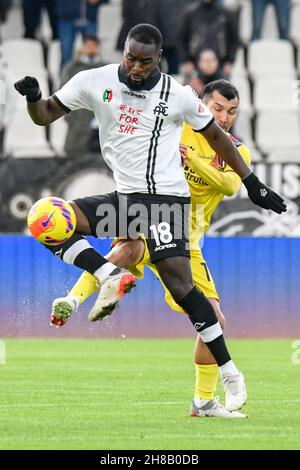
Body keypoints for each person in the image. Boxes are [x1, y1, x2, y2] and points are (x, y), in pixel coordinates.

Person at [14, 24, 286, 416]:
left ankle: (228, 372)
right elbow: (45, 116)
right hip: (126, 202)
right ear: (123, 51)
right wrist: (34, 98)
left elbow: (217, 139)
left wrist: (253, 183)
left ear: (158, 59)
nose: (136, 67)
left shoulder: (177, 94)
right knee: (45, 217)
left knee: (183, 290)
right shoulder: (95, 80)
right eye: (130, 58)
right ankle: (106, 277)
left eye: (144, 61)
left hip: (165, 204)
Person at [50, 79, 253, 418]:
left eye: (231, 111)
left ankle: (203, 401)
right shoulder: (176, 127)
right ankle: (73, 299)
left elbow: (231, 185)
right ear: (202, 105)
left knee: (213, 317)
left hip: (186, 243)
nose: (225, 117)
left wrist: (194, 160)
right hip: (153, 216)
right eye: (217, 108)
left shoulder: (234, 150)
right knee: (128, 248)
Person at [61, 35, 106, 157]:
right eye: (88, 45)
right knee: (74, 160)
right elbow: (63, 94)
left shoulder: (107, 69)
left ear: (98, 48)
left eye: (93, 46)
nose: (91, 49)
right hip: (77, 124)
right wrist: (70, 118)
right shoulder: (72, 68)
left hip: (101, 125)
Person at [179, 0, 239, 79]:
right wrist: (186, 60)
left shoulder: (226, 13)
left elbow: (235, 39)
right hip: (195, 66)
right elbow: (180, 38)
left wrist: (230, 61)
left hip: (221, 66)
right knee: (194, 90)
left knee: (220, 89)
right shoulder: (190, 13)